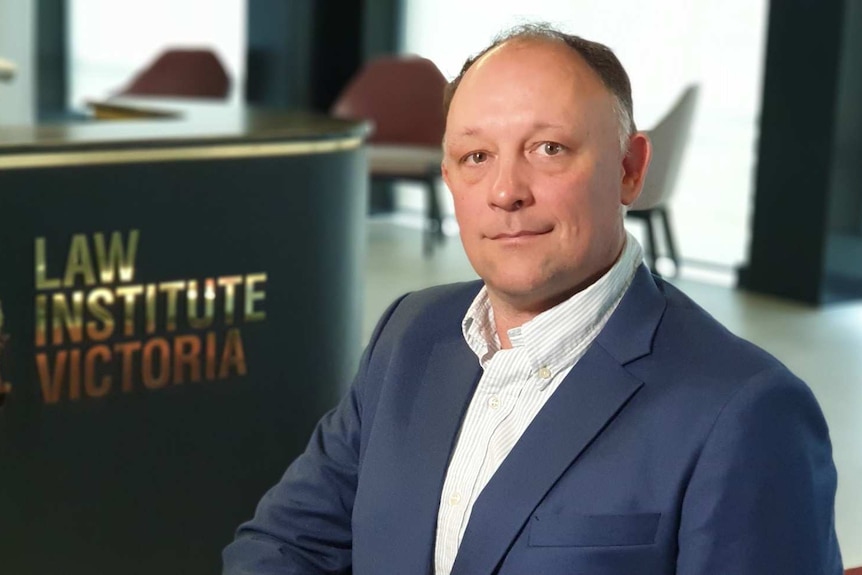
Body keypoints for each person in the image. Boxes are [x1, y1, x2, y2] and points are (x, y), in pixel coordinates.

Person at [223, 24, 843, 575]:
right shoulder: (409, 331)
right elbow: (288, 543)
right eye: (476, 156)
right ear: (448, 179)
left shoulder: (747, 411)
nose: (505, 191)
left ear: (630, 168)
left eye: (549, 149)